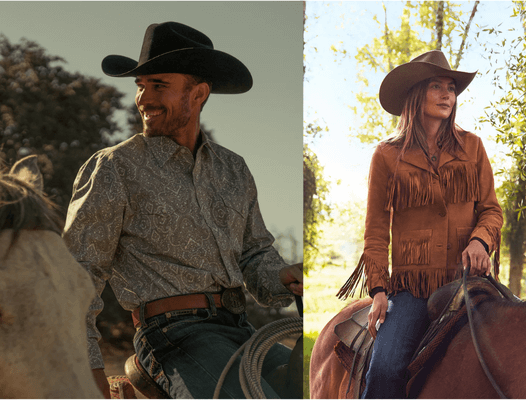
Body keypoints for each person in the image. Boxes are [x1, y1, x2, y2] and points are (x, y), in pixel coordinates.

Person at [63, 22, 302, 399]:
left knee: (323, 381)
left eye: (159, 85)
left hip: (242, 331)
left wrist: (283, 275)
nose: (143, 99)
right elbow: (77, 279)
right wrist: (88, 371)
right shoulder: (114, 168)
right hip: (172, 336)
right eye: (141, 86)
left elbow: (254, 252)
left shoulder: (233, 169)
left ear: (199, 93)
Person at [337, 50, 503, 399]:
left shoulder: (472, 147)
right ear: (416, 93)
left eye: (451, 88)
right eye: (437, 86)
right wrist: (379, 290)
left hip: (467, 282)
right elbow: (376, 230)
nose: (447, 95)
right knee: (385, 367)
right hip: (414, 289)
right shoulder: (386, 155)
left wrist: (480, 241)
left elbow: (491, 210)